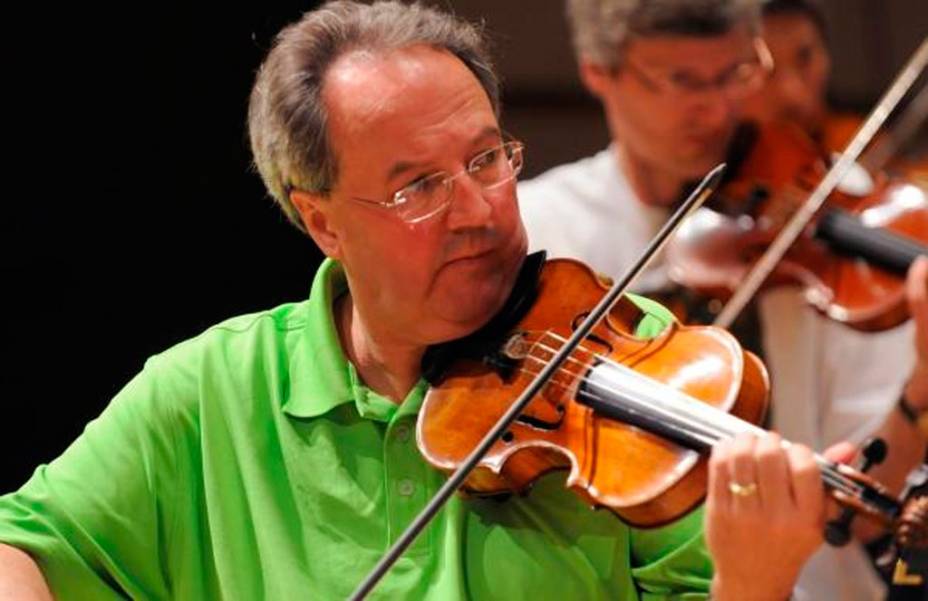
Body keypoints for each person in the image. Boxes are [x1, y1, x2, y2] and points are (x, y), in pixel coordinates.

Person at [0, 1, 852, 599]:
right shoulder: (209, 392)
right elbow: (23, 547)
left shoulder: (634, 354)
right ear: (322, 222)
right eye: (418, 188)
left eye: (488, 159)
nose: (481, 210)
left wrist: (753, 583)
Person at [518, 0, 928, 599]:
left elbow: (865, 507)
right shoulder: (541, 229)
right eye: (682, 81)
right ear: (596, 72)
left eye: (735, 74)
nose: (715, 109)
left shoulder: (825, 216)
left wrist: (920, 389)